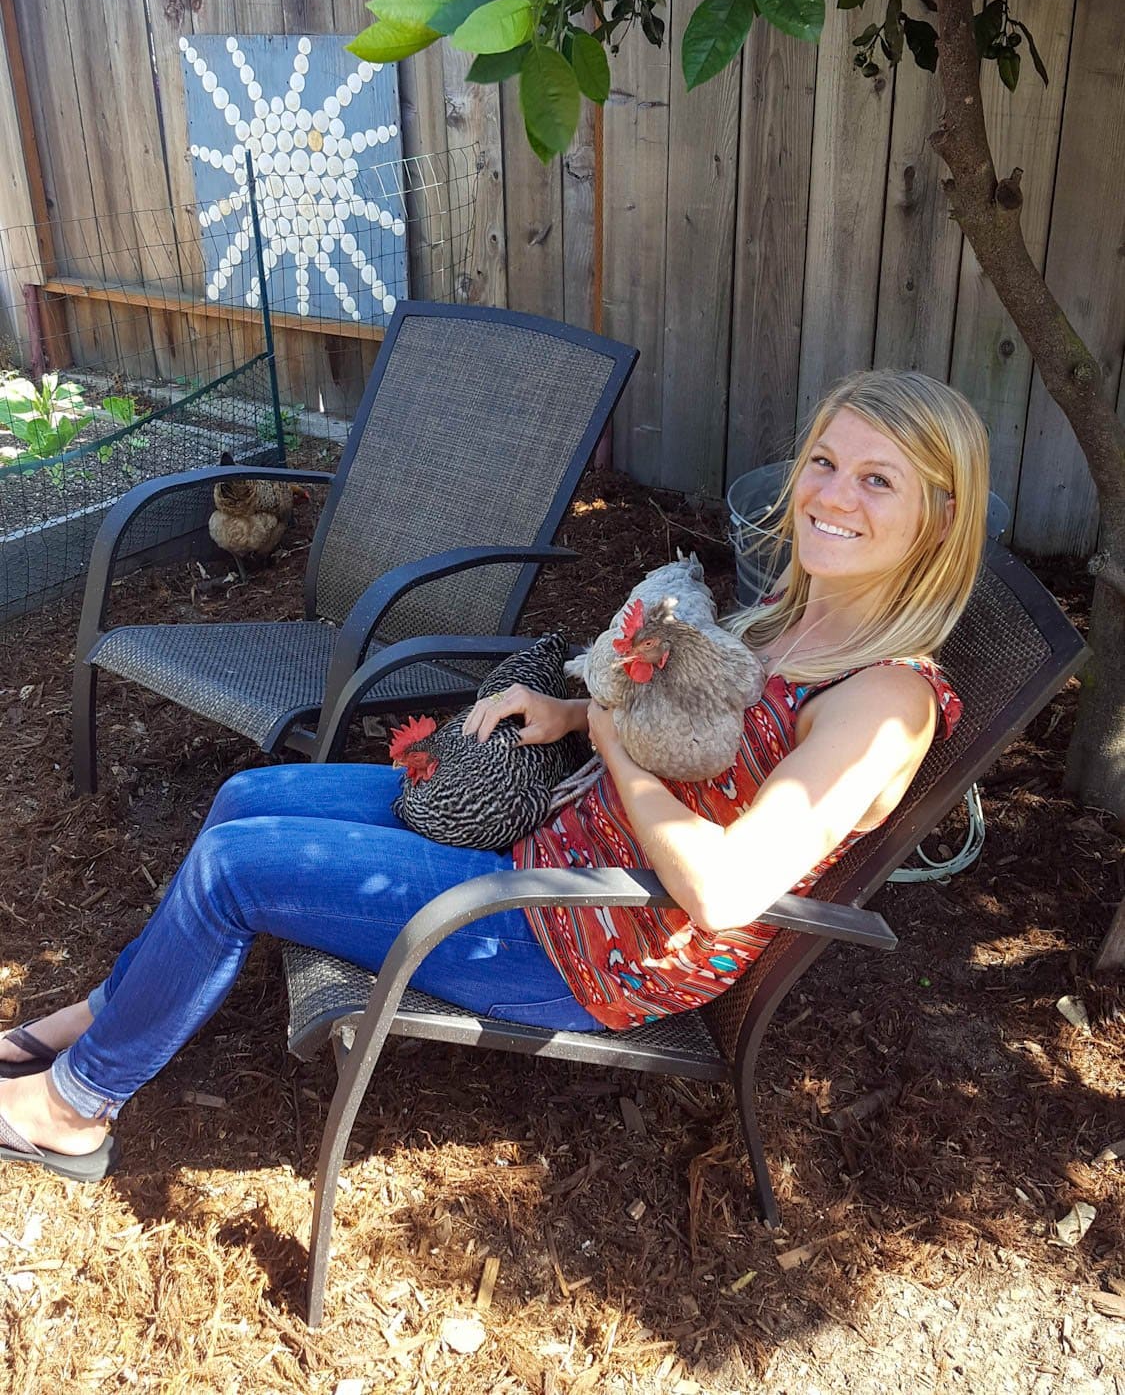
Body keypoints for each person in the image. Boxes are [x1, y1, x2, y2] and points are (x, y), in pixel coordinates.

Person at [0, 369, 989, 1181]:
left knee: (234, 869)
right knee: (245, 798)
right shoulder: (787, 619)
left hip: (586, 937)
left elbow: (725, 892)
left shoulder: (882, 704)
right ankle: (104, 1017)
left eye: (877, 481)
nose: (831, 496)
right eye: (824, 462)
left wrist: (609, 743)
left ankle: (75, 1108)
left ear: (941, 521)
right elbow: (695, 740)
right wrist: (572, 714)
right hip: (547, 845)